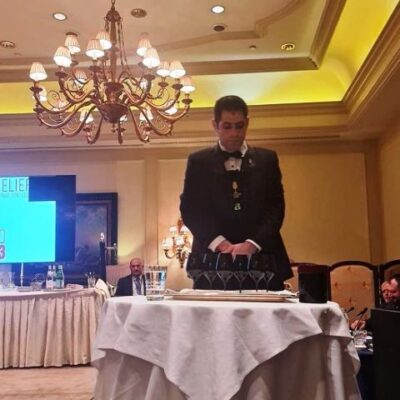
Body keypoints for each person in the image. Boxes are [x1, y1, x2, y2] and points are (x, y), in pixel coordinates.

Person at [180, 95, 292, 290]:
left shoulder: (267, 160)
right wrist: (223, 245)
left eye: (239, 126)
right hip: (212, 263)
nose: (234, 133)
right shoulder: (198, 162)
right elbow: (190, 209)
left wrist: (251, 244)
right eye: (227, 126)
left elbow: (276, 209)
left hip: (263, 260)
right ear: (215, 125)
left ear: (247, 123)